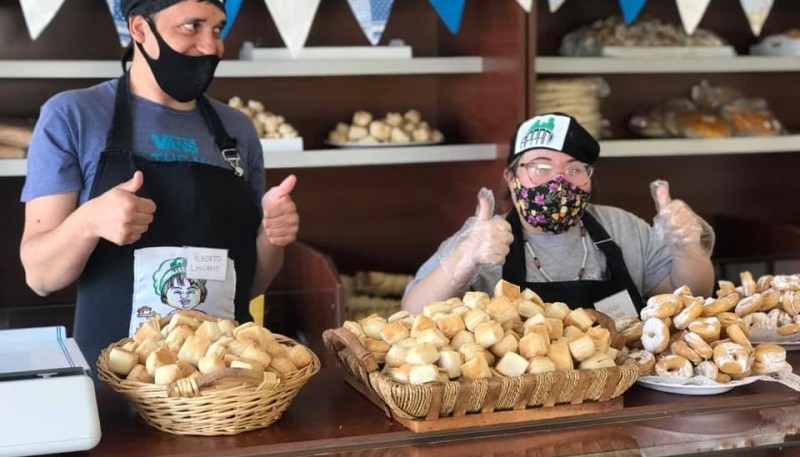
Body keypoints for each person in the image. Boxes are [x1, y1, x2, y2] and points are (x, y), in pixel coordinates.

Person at [19, 0, 299, 369]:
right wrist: (89, 221)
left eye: (217, 29)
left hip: (221, 383)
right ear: (139, 29)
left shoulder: (237, 130)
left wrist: (271, 235)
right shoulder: (73, 116)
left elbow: (250, 286)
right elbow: (40, 276)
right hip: (115, 383)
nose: (211, 46)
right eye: (192, 26)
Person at [402, 113, 715, 319]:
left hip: (626, 396)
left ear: (589, 179)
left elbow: (690, 298)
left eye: (574, 169)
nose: (559, 181)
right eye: (541, 167)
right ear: (512, 179)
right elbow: (412, 312)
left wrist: (687, 248)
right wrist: (465, 258)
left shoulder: (623, 228)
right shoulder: (483, 240)